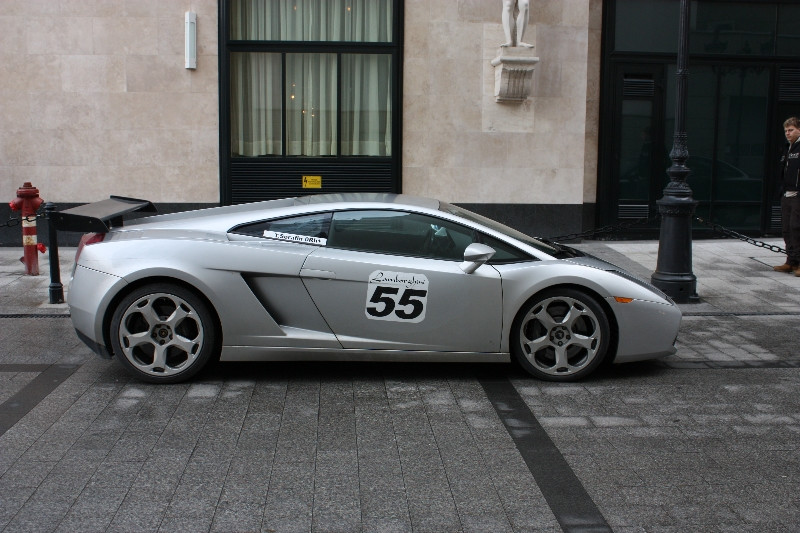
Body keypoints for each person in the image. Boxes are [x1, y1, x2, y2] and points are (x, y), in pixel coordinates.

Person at [774, 116, 800, 274]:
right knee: (786, 229)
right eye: (786, 131)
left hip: (798, 194)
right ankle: (791, 261)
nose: (788, 133)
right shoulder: (787, 148)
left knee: (796, 227)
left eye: (791, 130)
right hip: (787, 193)